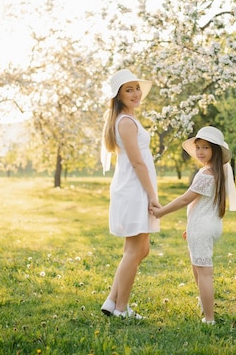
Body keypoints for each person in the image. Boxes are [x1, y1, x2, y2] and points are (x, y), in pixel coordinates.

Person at [151, 126, 236, 325]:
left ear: (215, 151)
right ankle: (204, 302)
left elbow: (185, 200)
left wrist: (160, 212)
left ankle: (209, 318)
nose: (200, 152)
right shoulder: (219, 173)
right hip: (210, 224)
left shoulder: (205, 175)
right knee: (197, 266)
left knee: (204, 271)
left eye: (205, 148)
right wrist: (191, 228)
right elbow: (201, 205)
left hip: (203, 227)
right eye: (198, 147)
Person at [99, 69, 161, 319]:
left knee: (140, 248)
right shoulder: (124, 121)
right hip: (134, 189)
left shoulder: (127, 119)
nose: (136, 93)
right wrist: (152, 196)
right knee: (135, 249)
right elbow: (137, 163)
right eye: (129, 90)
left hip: (135, 188)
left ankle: (112, 300)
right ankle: (121, 309)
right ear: (118, 96)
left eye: (137, 88)